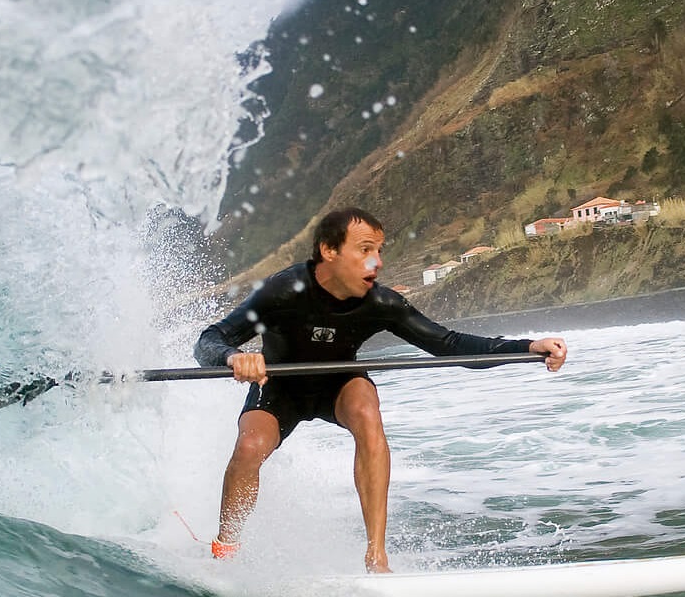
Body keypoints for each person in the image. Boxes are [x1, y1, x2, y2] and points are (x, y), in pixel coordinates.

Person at [194, 208, 567, 572]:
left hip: (338, 383)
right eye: (365, 249)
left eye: (379, 250)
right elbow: (209, 340)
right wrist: (233, 357)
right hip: (278, 386)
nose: (377, 262)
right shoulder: (282, 291)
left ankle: (376, 557)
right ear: (329, 250)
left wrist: (526, 347)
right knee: (250, 447)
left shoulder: (381, 303)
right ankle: (226, 551)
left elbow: (449, 344)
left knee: (367, 412)